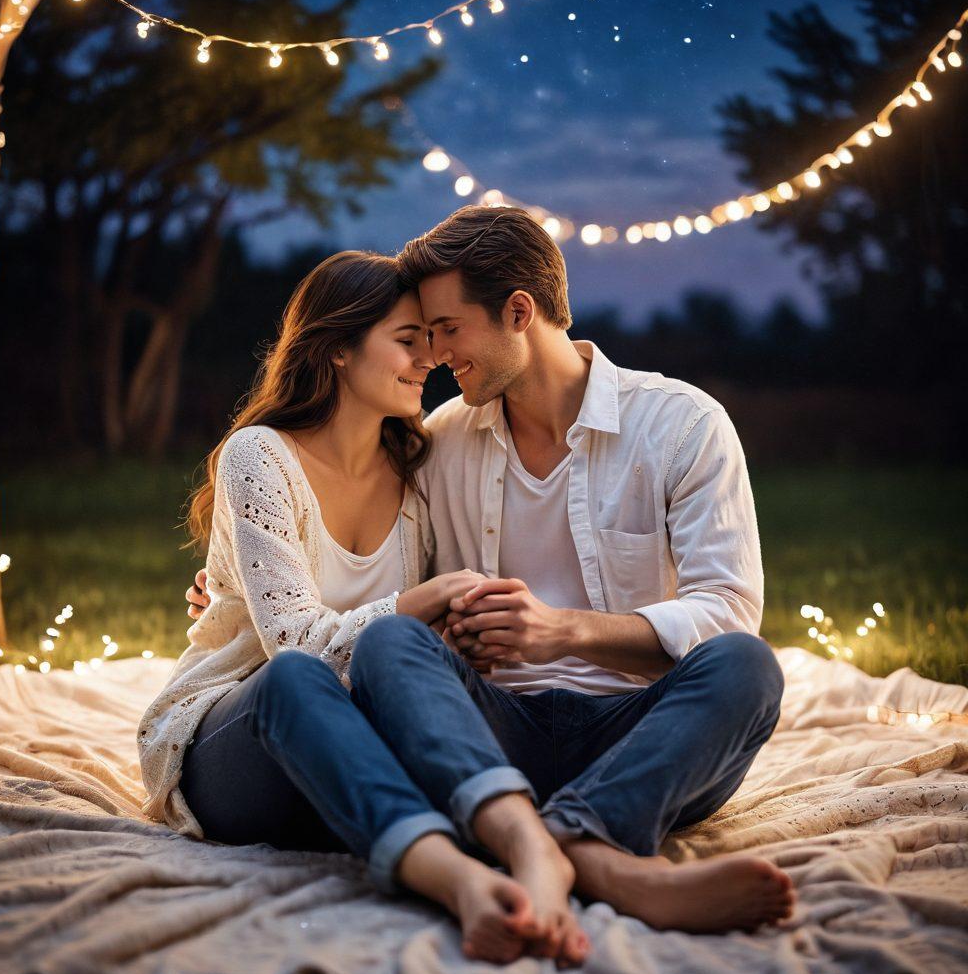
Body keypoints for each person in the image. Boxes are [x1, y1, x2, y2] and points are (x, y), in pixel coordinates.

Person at [191, 206, 796, 935]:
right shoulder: (436, 445)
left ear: (517, 311)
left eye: (444, 329)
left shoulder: (681, 426)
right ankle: (571, 852)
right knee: (391, 644)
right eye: (417, 336)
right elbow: (354, 601)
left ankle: (582, 836)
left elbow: (728, 609)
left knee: (747, 665)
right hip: (484, 734)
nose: (436, 354)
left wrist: (564, 633)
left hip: (636, 743)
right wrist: (225, 585)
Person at [139, 250, 590, 966]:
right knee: (296, 678)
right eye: (408, 341)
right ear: (340, 349)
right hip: (238, 740)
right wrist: (419, 600)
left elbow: (422, 642)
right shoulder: (260, 456)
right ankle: (458, 880)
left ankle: (558, 854)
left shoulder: (416, 475)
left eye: (432, 342)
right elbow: (293, 642)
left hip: (361, 743)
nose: (430, 361)